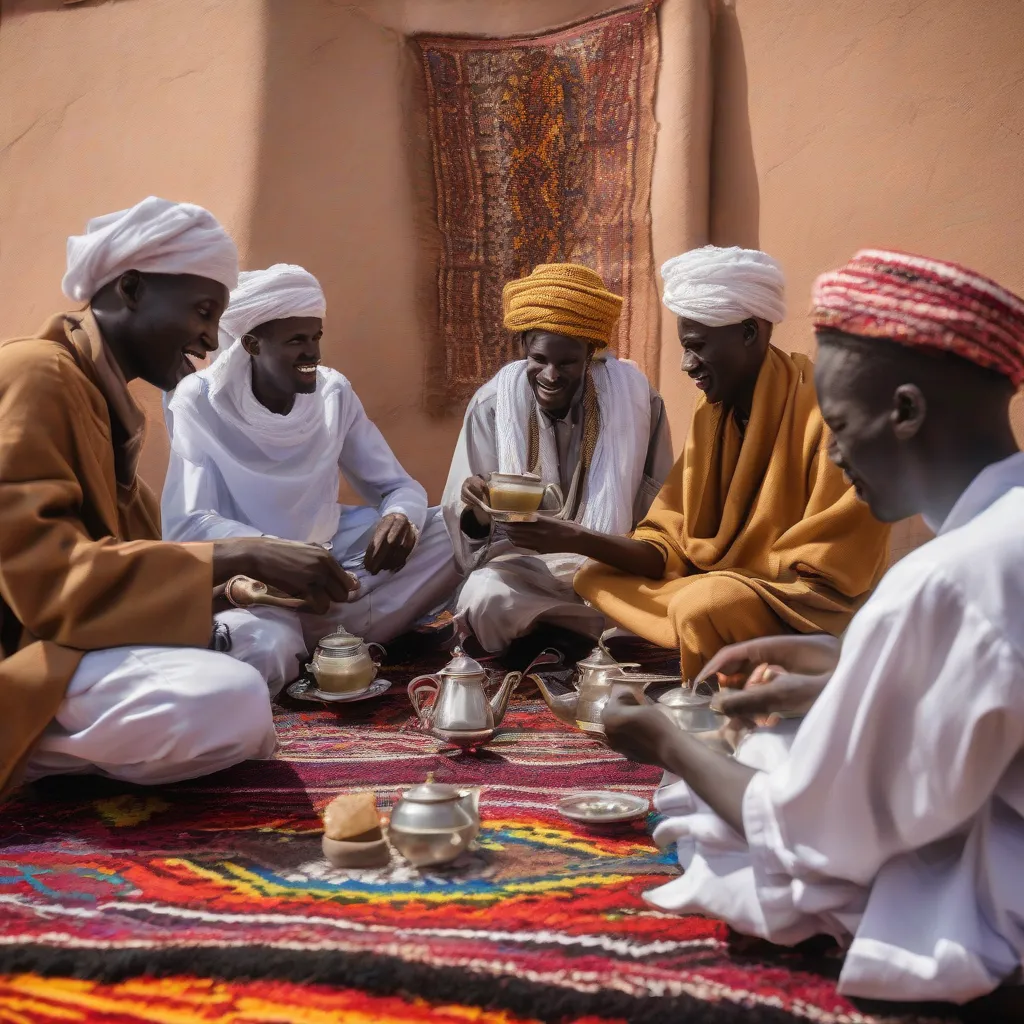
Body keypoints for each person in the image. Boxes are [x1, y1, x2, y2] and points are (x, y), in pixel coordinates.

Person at [602, 249, 1024, 1004]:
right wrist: (841, 665)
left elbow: (807, 825)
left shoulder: (944, 578)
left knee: (744, 776)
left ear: (905, 412)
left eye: (838, 425)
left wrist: (665, 740)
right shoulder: (1002, 536)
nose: (830, 451)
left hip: (1005, 898)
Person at [0, 198, 359, 797]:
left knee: (259, 640)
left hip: (70, 642)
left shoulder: (105, 403)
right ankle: (25, 743)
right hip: (22, 654)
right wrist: (242, 553)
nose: (210, 337)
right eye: (201, 310)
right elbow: (43, 585)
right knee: (230, 698)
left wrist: (227, 589)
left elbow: (128, 559)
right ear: (133, 289)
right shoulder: (35, 375)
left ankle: (98, 743)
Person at [574, 246, 890, 680]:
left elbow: (832, 570)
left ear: (748, 331)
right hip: (721, 584)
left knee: (704, 603)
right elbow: (671, 534)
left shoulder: (831, 411)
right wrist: (574, 537)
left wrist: (737, 581)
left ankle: (720, 696)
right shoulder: (713, 414)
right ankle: (704, 631)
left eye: (697, 346)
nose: (687, 365)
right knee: (595, 576)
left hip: (803, 606)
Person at [163, 263, 458, 661]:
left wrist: (401, 517)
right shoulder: (198, 400)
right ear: (251, 344)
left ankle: (330, 634)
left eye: (317, 337)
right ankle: (342, 635)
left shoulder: (332, 392)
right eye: (296, 340)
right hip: (258, 585)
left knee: (460, 524)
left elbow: (397, 487)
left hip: (335, 559)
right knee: (264, 647)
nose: (313, 353)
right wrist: (279, 555)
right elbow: (189, 521)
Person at [442, 263, 673, 655]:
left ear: (591, 354)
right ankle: (579, 639)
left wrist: (586, 543)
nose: (550, 375)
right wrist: (479, 509)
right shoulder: (493, 406)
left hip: (610, 570)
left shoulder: (636, 402)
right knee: (484, 598)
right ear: (523, 349)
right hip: (524, 571)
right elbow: (471, 542)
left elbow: (660, 517)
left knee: (668, 604)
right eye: (539, 359)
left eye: (567, 363)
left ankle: (552, 638)